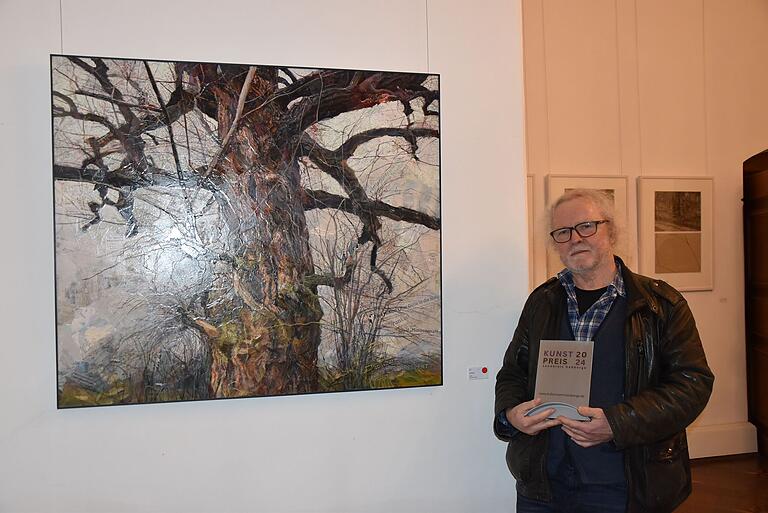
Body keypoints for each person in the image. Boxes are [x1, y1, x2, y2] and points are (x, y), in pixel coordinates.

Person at [494, 189, 713, 513]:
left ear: (611, 230)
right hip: (543, 486)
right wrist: (511, 414)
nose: (574, 239)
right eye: (563, 232)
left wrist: (618, 422)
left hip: (624, 486)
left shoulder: (661, 305)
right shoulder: (542, 302)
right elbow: (513, 371)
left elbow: (692, 385)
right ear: (555, 243)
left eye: (586, 226)